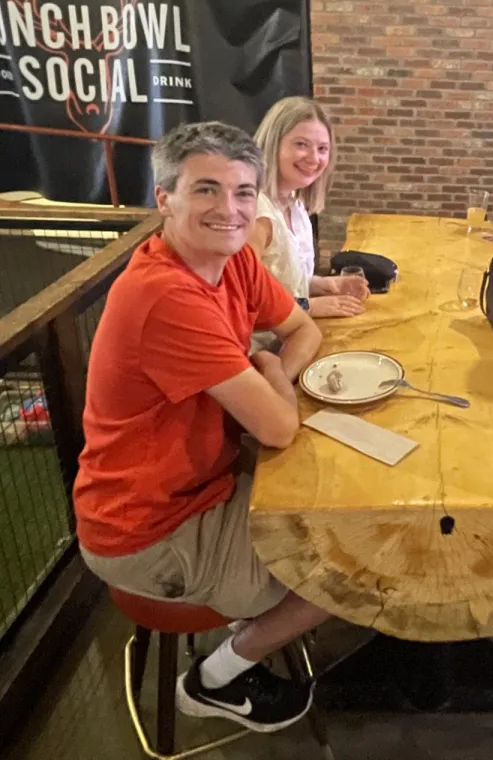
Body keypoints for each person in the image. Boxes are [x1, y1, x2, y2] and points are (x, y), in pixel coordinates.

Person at [73, 121, 331, 733]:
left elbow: (305, 329)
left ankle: (246, 623)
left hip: (201, 485)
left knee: (341, 509)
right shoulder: (166, 295)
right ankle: (214, 679)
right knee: (349, 571)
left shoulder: (234, 259)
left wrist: (270, 369)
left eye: (244, 192)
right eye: (207, 190)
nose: (230, 209)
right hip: (148, 529)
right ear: (164, 198)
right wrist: (270, 372)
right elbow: (276, 429)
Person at [250, 97, 369, 319]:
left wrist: (324, 284)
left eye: (322, 148)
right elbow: (244, 301)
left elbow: (283, 284)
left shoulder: (294, 201)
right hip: (262, 348)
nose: (314, 158)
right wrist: (309, 307)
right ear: (273, 144)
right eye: (301, 144)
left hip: (297, 335)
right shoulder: (254, 213)